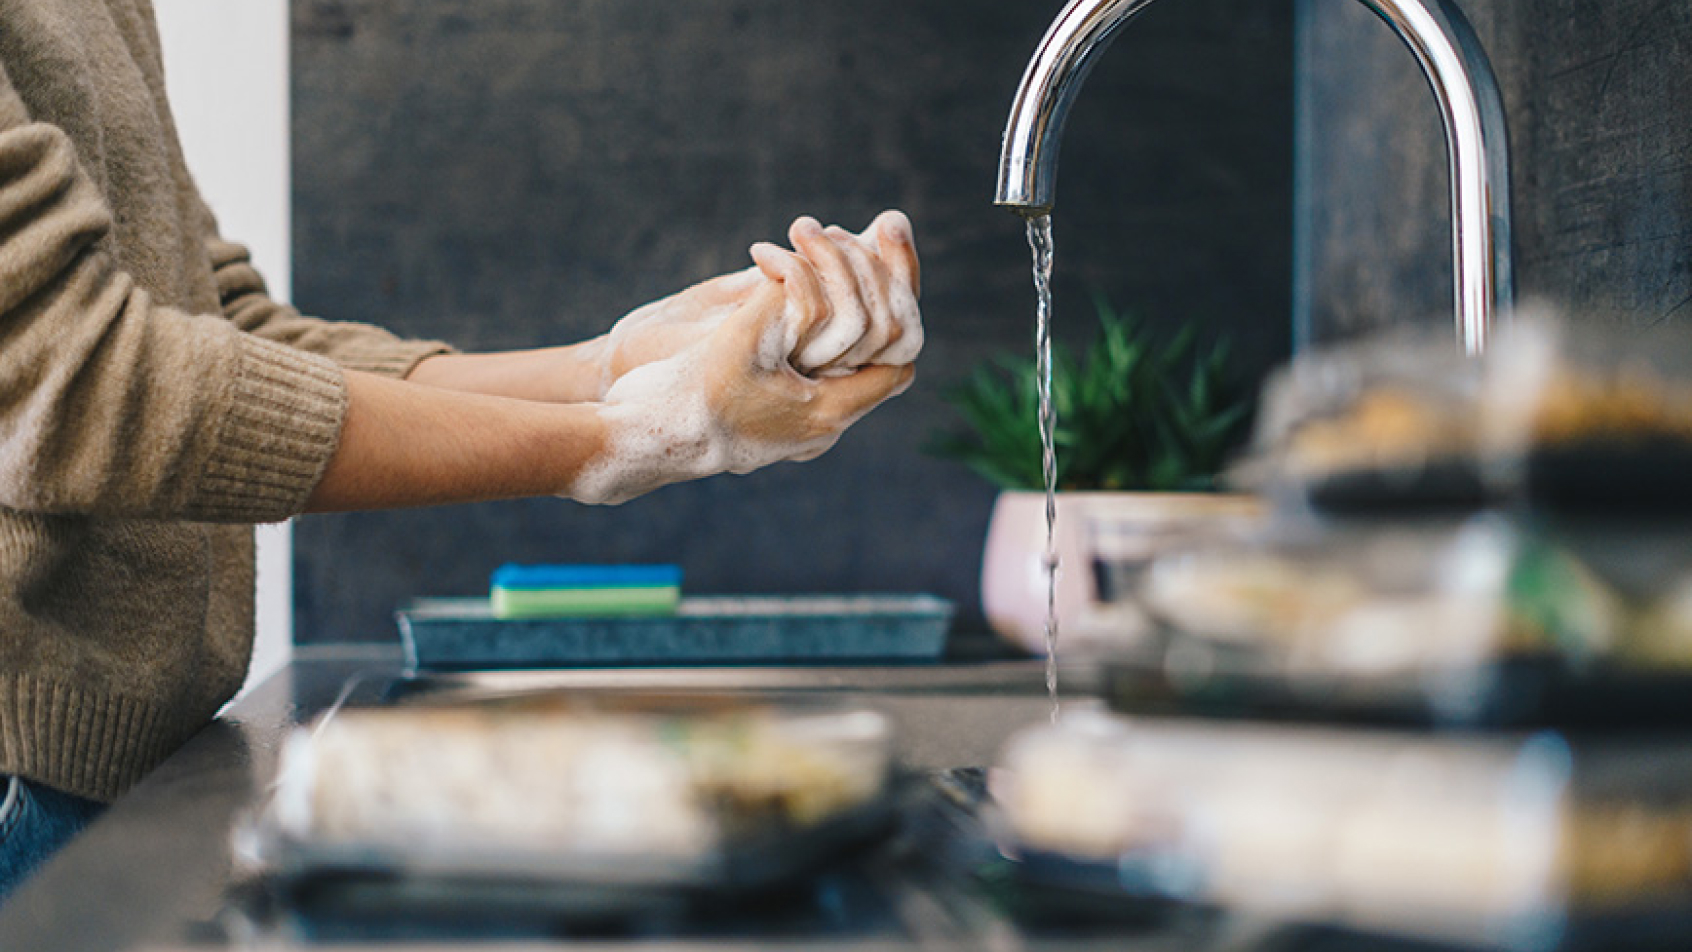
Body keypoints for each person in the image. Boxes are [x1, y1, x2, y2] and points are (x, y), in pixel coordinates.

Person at [0, 1, 922, 902]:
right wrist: (631, 437)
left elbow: (222, 325)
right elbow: (70, 378)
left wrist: (614, 365)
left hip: (124, 777)